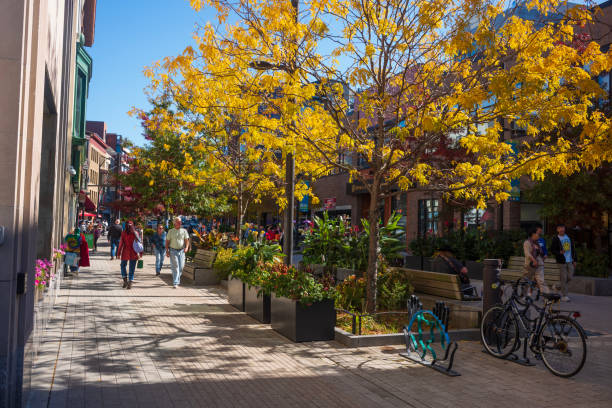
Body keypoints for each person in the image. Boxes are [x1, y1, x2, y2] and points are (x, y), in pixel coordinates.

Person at [550, 224, 577, 302]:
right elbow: (552, 250)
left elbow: (573, 250)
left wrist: (575, 260)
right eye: (560, 229)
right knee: (564, 278)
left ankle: (557, 286)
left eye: (563, 228)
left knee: (570, 277)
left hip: (570, 260)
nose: (562, 230)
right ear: (557, 230)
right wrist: (559, 252)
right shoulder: (556, 238)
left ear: (565, 229)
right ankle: (564, 295)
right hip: (561, 261)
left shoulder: (569, 237)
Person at [166, 217, 190, 288]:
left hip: (182, 251)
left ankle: (177, 280)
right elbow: (167, 242)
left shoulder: (184, 231)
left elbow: (187, 241)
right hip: (173, 250)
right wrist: (167, 251)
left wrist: (186, 247)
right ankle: (175, 282)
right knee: (175, 266)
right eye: (178, 221)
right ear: (174, 223)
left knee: (181, 267)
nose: (180, 223)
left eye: (180, 221)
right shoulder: (170, 231)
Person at [117, 221, 142, 289]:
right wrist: (141, 253)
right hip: (134, 252)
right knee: (132, 267)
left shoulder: (123, 233)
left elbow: (120, 244)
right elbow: (140, 243)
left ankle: (125, 280)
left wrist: (118, 253)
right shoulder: (135, 233)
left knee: (122, 265)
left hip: (125, 251)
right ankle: (130, 282)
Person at [523, 228, 547, 294]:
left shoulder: (537, 243)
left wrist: (543, 255)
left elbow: (541, 253)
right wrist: (534, 260)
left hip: (539, 264)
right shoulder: (527, 242)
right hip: (530, 265)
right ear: (533, 234)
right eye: (537, 233)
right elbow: (527, 253)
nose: (539, 235)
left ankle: (547, 297)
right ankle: (523, 295)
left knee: (541, 281)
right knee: (526, 281)